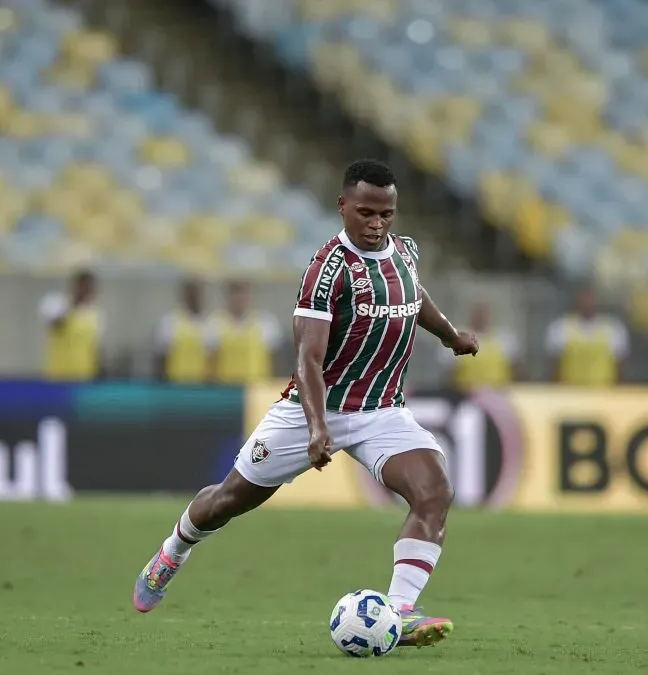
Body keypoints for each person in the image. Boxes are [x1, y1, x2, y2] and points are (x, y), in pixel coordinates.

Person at [132, 160, 479, 648]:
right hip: (312, 409)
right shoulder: (326, 271)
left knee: (434, 491)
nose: (377, 224)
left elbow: (412, 296)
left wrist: (450, 336)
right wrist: (318, 428)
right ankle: (172, 551)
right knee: (229, 500)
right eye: (366, 213)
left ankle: (399, 613)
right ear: (342, 207)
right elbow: (308, 358)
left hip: (382, 410)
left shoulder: (405, 252)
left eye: (387, 214)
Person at [544, 286, 629, 387]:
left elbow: (619, 366)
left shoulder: (612, 328)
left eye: (590, 299)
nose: (587, 303)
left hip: (604, 395)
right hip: (570, 394)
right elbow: (554, 366)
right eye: (584, 299)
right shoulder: (560, 327)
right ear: (576, 301)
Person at [208, 280, 282, 385]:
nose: (239, 300)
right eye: (235, 295)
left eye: (243, 295)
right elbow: (211, 361)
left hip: (257, 388)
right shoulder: (215, 324)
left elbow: (275, 360)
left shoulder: (265, 323)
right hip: (225, 388)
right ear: (227, 297)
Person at [438, 301, 520, 391]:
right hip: (467, 397)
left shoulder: (504, 340)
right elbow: (449, 373)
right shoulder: (456, 339)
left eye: (483, 314)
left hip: (499, 395)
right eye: (477, 314)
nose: (480, 318)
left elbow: (515, 369)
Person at [39, 269, 104, 381]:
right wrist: (73, 306)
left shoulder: (96, 315)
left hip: (84, 378)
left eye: (88, 288)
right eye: (82, 287)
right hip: (57, 377)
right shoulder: (59, 306)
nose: (85, 291)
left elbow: (96, 348)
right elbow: (55, 324)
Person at [153, 279, 209, 383]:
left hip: (202, 386)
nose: (194, 296)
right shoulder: (170, 321)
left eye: (197, 293)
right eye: (191, 292)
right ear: (184, 295)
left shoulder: (209, 323)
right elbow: (160, 358)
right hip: (176, 385)